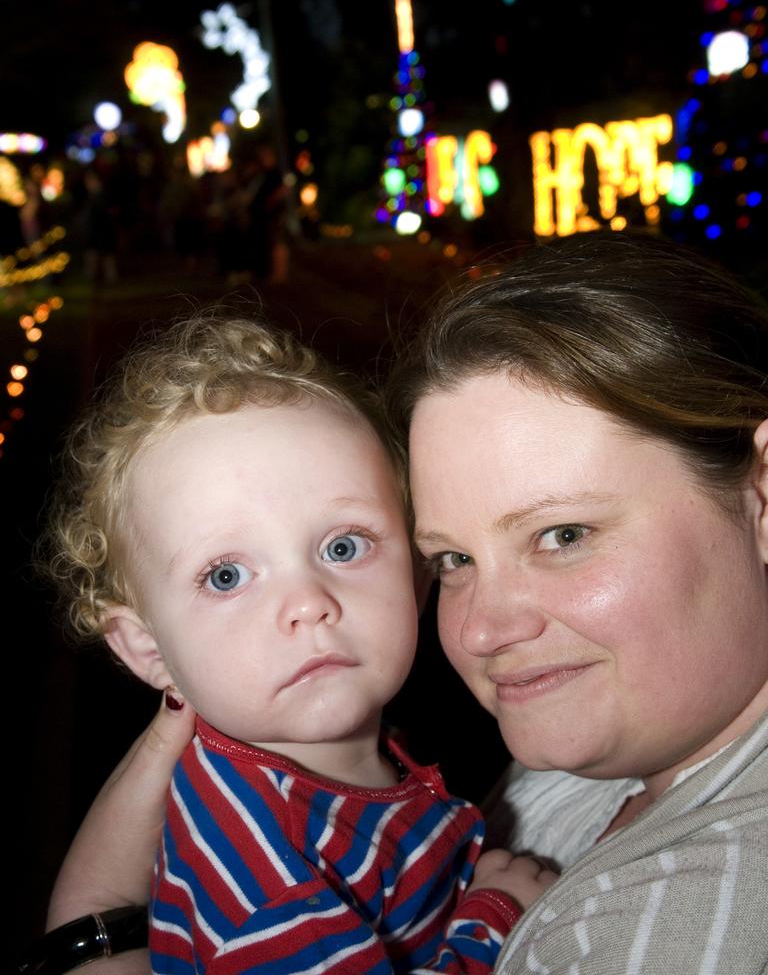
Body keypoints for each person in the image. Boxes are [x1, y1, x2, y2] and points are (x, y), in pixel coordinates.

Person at [40, 231, 768, 973]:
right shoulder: (268, 851)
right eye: (454, 557)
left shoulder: (685, 922)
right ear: (143, 646)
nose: (483, 630)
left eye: (564, 533)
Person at [39, 315, 547, 975]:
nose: (308, 601)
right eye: (226, 575)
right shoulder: (261, 879)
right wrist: (493, 915)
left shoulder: (306, 767)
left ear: (418, 573)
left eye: (343, 546)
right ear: (148, 650)